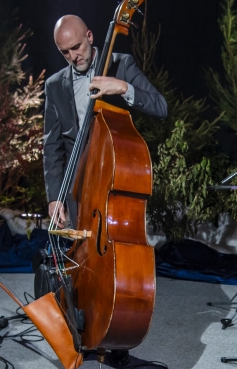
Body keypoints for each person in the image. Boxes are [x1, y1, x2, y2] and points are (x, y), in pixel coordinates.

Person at [43, 14, 168, 226]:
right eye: (65, 52)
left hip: (115, 180)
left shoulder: (122, 65)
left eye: (76, 47)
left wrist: (124, 88)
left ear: (89, 36)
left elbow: (160, 107)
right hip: (77, 187)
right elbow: (52, 146)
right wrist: (54, 197)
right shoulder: (54, 85)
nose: (73, 56)